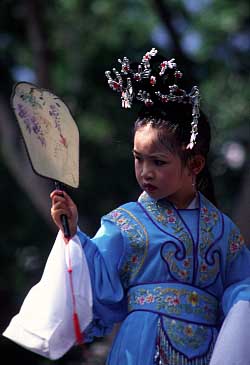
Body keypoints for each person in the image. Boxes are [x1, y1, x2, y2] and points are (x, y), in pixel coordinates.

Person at [3, 48, 250, 365]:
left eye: (158, 162)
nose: (145, 171)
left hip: (211, 350)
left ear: (195, 163)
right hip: (142, 345)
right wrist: (73, 234)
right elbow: (96, 282)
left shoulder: (224, 232)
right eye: (138, 158)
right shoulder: (125, 222)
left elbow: (241, 290)